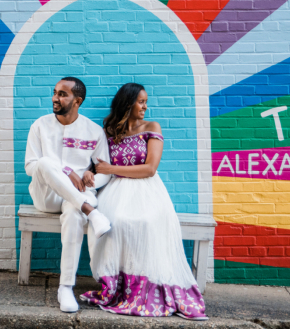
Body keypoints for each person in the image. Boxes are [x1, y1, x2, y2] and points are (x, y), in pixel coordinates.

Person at [80, 83, 208, 320]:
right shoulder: (108, 131)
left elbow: (150, 169)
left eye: (145, 101)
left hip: (147, 189)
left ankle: (148, 287)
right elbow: (96, 163)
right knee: (116, 222)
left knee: (147, 222)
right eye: (141, 102)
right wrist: (88, 171)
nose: (145, 106)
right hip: (114, 190)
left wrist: (112, 168)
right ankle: (119, 285)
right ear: (127, 103)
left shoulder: (152, 127)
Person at [24, 77, 112, 314]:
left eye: (62, 94)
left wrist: (91, 177)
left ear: (77, 101)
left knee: (74, 213)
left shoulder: (93, 131)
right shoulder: (39, 126)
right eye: (55, 93)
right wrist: (67, 171)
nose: (55, 98)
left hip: (77, 197)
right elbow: (31, 167)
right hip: (47, 197)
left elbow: (105, 171)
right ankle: (92, 212)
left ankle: (65, 287)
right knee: (43, 162)